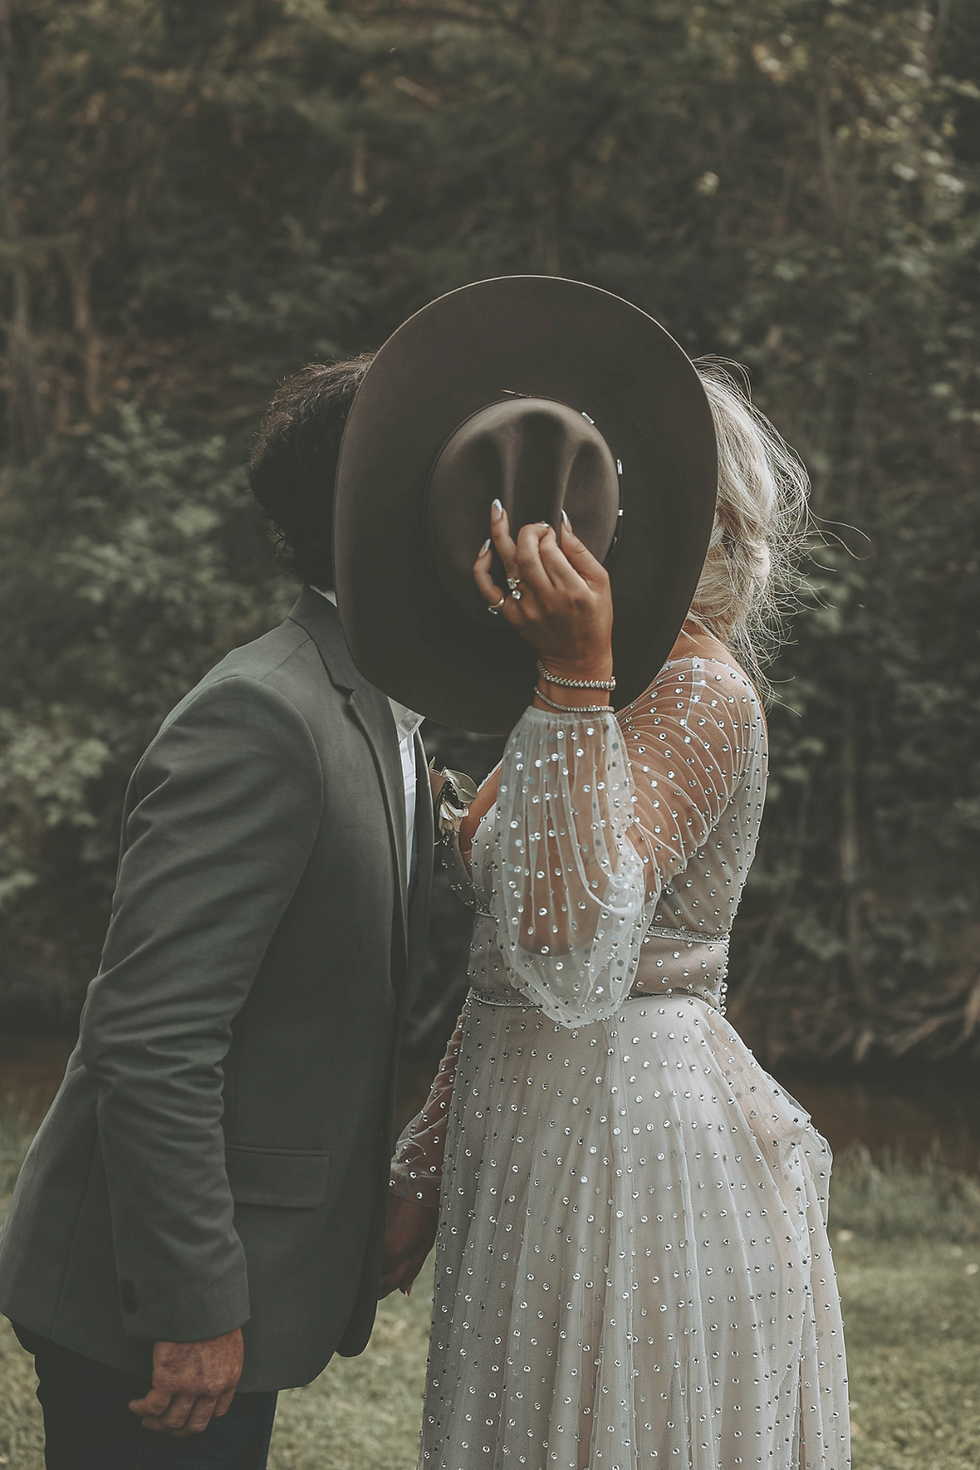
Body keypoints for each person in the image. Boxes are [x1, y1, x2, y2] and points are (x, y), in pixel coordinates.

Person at [381, 360, 851, 1468]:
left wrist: (574, 672)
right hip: (525, 1117)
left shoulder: (693, 690)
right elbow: (509, 963)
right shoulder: (569, 683)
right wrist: (426, 1160)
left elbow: (571, 938)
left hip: (629, 1135)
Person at [0, 357, 436, 1468]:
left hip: (256, 1267)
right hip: (143, 1305)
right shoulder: (260, 716)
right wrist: (190, 1303)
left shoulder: (385, 709)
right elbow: (150, 1036)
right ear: (381, 512)